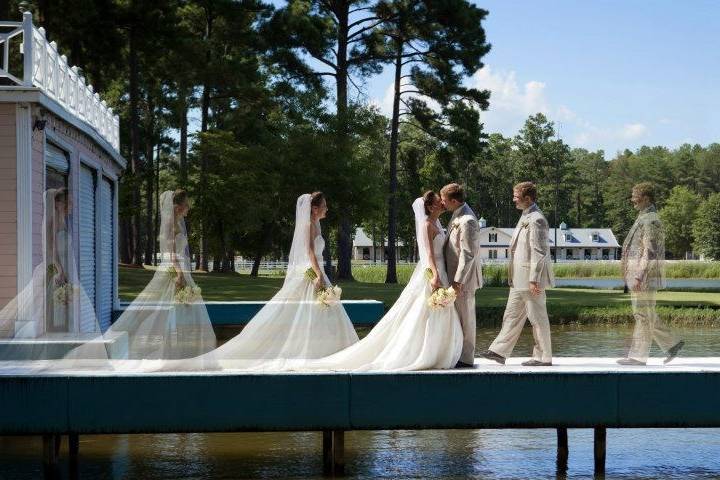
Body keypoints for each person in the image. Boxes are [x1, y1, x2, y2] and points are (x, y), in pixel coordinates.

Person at [482, 181, 555, 366]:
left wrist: (534, 279)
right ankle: (499, 351)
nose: (513, 200)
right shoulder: (525, 216)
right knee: (511, 315)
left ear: (528, 199)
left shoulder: (537, 219)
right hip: (518, 279)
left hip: (529, 279)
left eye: (516, 197)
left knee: (537, 317)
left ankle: (543, 357)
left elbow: (539, 252)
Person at [617, 182, 684, 366]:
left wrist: (638, 274)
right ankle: (673, 344)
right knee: (647, 314)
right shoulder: (644, 216)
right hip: (642, 274)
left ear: (646, 198)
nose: (632, 202)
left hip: (644, 275)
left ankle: (638, 357)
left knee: (642, 315)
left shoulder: (650, 219)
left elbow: (649, 250)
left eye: (635, 198)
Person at [441, 183, 483, 368]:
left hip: (463, 280)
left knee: (466, 318)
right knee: (458, 317)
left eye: (444, 200)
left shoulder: (468, 221)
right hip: (453, 276)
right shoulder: (457, 215)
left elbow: (468, 253)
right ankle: (457, 353)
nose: (442, 203)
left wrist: (458, 280)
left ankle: (466, 358)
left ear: (454, 201)